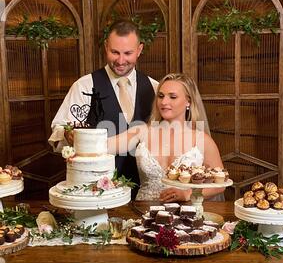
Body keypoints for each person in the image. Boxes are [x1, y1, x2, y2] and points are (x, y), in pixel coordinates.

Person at [48, 20, 158, 195]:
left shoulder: (155, 88)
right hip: (95, 189)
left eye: (128, 53)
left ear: (139, 50)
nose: (121, 60)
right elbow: (59, 129)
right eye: (115, 52)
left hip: (142, 190)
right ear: (106, 47)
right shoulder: (84, 86)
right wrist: (69, 135)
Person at [107, 72, 225, 202]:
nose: (164, 102)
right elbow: (102, 147)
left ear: (188, 101)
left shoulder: (202, 140)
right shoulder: (141, 131)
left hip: (185, 214)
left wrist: (187, 194)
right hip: (143, 211)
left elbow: (220, 185)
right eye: (161, 96)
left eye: (172, 97)